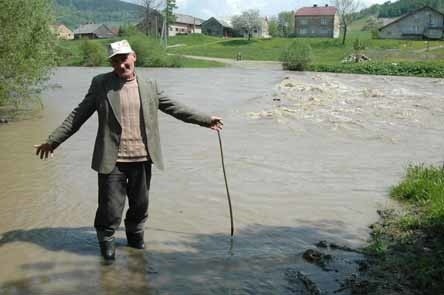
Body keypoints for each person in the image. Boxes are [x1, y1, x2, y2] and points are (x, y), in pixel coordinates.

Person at [34, 40, 223, 261]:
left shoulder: (150, 84)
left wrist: (205, 120)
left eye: (124, 59)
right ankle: (106, 242)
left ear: (134, 57)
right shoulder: (101, 84)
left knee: (140, 205)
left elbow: (175, 107)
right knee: (110, 208)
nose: (121, 65)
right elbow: (78, 115)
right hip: (112, 159)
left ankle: (135, 238)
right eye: (115, 61)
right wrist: (53, 141)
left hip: (142, 157)